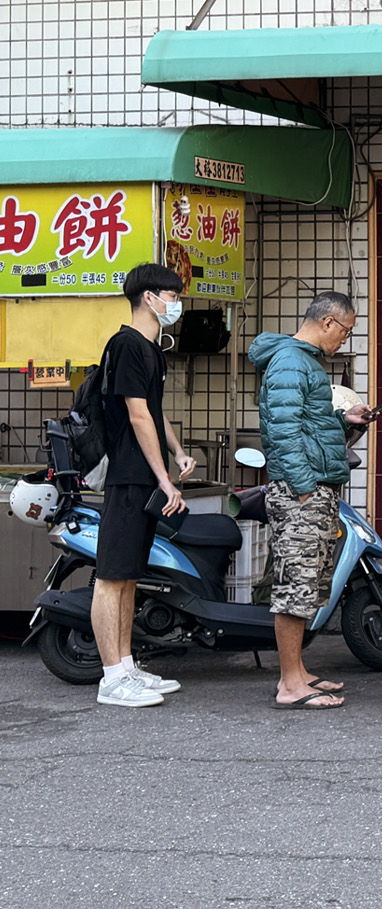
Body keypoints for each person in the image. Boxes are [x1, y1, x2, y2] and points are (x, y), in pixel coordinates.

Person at [248, 292, 371, 710]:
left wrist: (344, 419)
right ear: (328, 323)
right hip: (302, 490)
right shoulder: (291, 362)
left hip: (313, 487)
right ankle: (289, 684)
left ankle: (298, 672)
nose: (345, 340)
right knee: (295, 586)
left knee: (307, 586)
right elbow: (282, 433)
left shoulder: (301, 361)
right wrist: (304, 486)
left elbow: (305, 422)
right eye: (346, 330)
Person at [90, 264, 197, 708]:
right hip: (127, 476)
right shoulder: (127, 345)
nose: (177, 303)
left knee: (130, 576)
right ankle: (110, 676)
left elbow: (155, 411)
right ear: (149, 298)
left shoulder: (153, 349)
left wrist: (177, 451)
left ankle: (127, 665)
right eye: (172, 295)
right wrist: (162, 478)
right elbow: (136, 415)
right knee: (111, 578)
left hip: (143, 474)